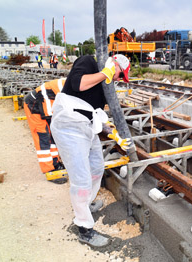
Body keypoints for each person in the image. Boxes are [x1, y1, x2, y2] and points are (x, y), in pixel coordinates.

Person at [50, 54, 132, 248]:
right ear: (115, 64)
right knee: (82, 180)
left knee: (97, 167)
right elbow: (79, 84)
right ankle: (84, 228)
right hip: (68, 127)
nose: (119, 79)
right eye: (121, 75)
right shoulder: (88, 63)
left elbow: (97, 116)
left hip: (86, 128)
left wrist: (114, 135)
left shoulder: (104, 86)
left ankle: (85, 204)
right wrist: (104, 73)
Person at [24, 78, 68, 184]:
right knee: (42, 137)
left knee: (52, 135)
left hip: (46, 106)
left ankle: (55, 163)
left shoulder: (73, 83)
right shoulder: (72, 85)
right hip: (34, 106)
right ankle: (49, 170)